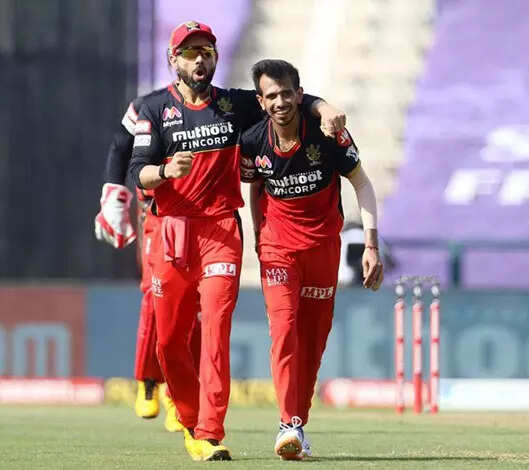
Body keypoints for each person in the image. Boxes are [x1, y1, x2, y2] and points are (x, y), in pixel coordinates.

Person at [128, 21, 347, 462]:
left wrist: (324, 107)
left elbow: (285, 98)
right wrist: (165, 172)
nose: (199, 59)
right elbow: (138, 171)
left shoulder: (233, 104)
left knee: (216, 329)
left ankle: (209, 432)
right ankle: (189, 417)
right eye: (190, 52)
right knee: (169, 342)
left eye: (206, 51)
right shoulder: (153, 108)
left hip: (221, 231)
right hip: (173, 230)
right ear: (173, 60)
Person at [240, 59, 384, 460]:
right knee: (284, 329)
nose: (280, 102)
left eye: (287, 93)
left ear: (299, 95)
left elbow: (362, 184)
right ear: (261, 101)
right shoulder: (253, 141)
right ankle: (288, 423)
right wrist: (259, 236)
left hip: (323, 247)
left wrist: (371, 245)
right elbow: (255, 188)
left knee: (313, 340)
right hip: (277, 250)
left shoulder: (327, 134)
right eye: (271, 96)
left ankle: (297, 425)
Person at [94, 94, 201, 433]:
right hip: (158, 214)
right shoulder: (149, 106)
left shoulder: (218, 107)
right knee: (156, 297)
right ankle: (148, 379)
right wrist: (112, 198)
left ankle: (180, 397)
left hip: (203, 218)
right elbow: (120, 146)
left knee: (197, 306)